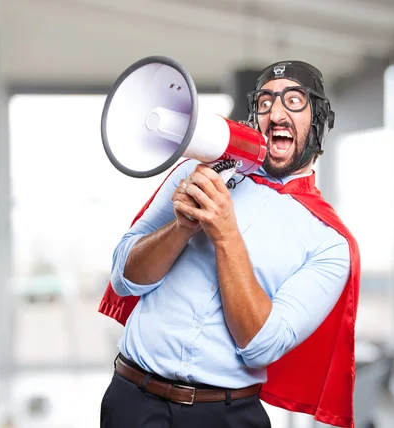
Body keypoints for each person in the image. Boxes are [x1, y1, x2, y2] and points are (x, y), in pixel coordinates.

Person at [98, 60, 360, 428]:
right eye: (265, 103)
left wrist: (225, 234)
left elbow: (262, 346)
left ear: (319, 121)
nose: (276, 113)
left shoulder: (330, 244)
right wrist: (180, 229)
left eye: (294, 101)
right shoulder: (200, 170)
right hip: (131, 401)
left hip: (225, 416)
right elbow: (123, 277)